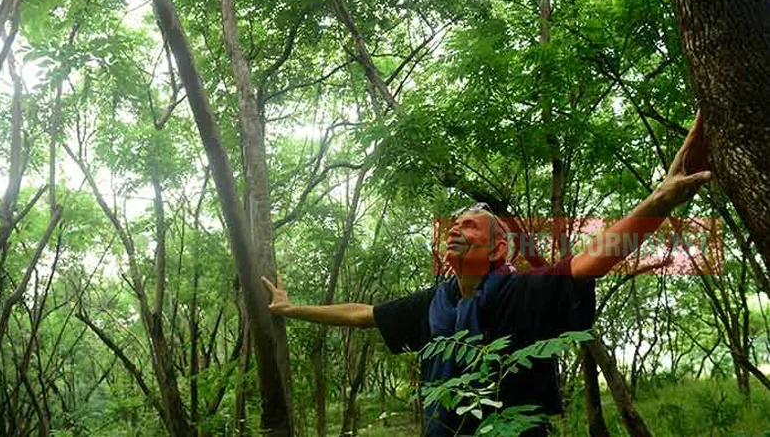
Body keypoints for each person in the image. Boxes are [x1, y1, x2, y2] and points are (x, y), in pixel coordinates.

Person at [261, 113, 712, 436]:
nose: (455, 229)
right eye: (454, 225)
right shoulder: (435, 302)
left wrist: (660, 201)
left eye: (470, 226)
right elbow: (363, 314)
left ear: (498, 248)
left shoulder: (525, 292)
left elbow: (594, 258)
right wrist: (290, 308)